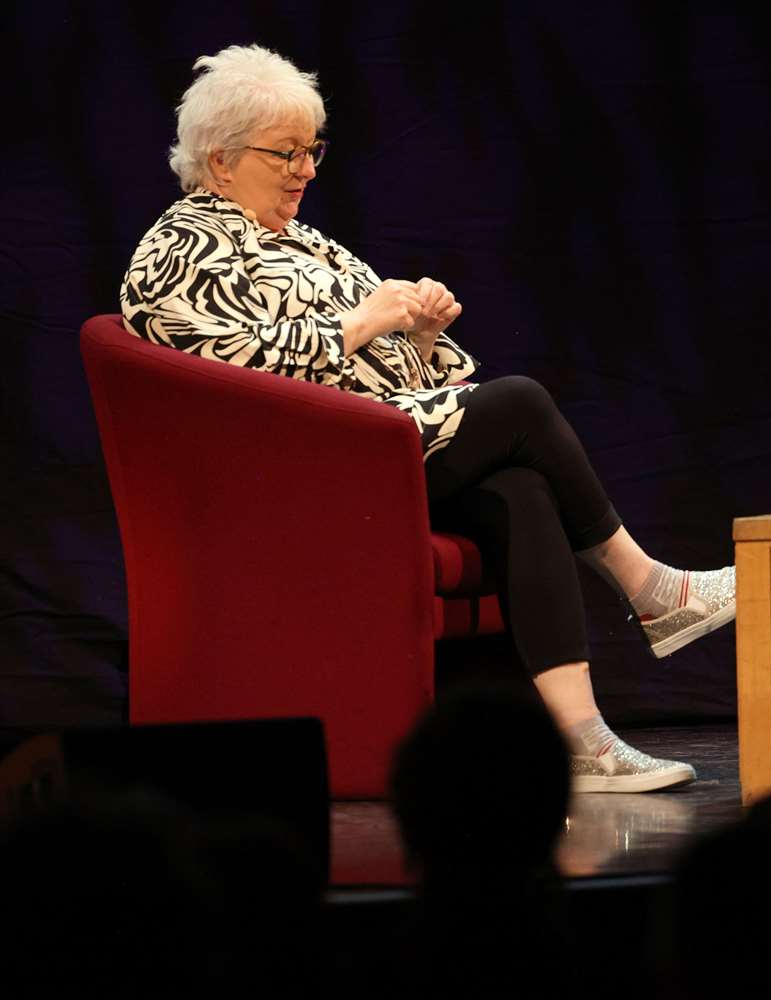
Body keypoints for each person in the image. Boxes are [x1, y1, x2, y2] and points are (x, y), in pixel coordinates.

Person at [121, 45, 734, 792]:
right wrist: (356, 323)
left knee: (520, 489)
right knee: (519, 402)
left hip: (376, 444)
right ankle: (649, 589)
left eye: (312, 151)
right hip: (298, 473)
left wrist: (419, 338)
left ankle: (582, 742)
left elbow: (420, 376)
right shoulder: (183, 244)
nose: (306, 171)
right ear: (219, 163)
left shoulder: (307, 242)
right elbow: (220, 370)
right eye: (285, 154)